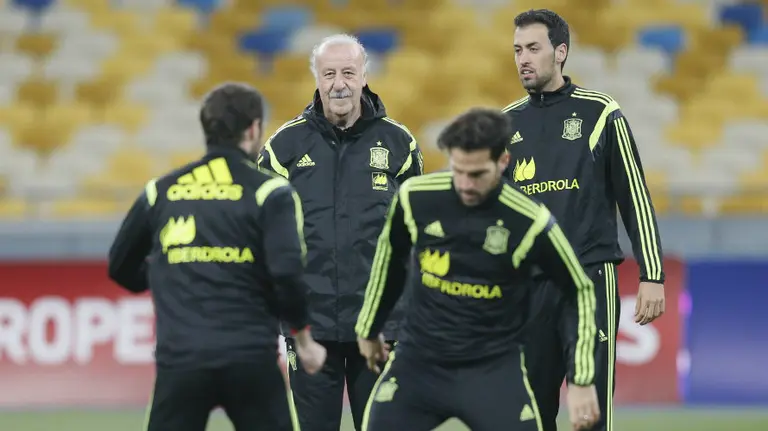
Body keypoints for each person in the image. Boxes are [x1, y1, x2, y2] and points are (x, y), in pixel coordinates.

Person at [356, 108, 601, 431]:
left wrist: (581, 379)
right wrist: (370, 328)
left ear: (503, 162)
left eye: (477, 174)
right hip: (419, 365)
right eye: (458, 170)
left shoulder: (530, 221)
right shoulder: (415, 198)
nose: (465, 184)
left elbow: (579, 291)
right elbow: (390, 261)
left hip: (494, 370)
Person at [107, 82, 327, 431]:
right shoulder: (270, 192)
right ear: (254, 129)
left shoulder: (161, 191)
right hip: (250, 359)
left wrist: (166, 273)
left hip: (181, 362)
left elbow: (119, 266)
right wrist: (303, 339)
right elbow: (287, 274)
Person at [502, 9, 666, 431]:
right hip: (527, 288)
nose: (523, 58)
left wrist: (652, 274)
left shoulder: (600, 114)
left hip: (588, 282)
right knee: (526, 415)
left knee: (588, 414)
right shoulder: (504, 125)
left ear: (560, 52)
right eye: (518, 49)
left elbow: (635, 199)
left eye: (533, 49)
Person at [257, 33, 424, 431]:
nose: (339, 83)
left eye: (348, 72)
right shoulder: (284, 147)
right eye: (329, 73)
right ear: (316, 78)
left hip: (382, 327)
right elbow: (263, 233)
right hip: (309, 326)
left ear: (365, 76)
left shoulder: (400, 144)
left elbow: (419, 234)